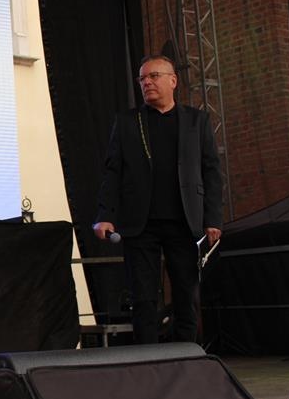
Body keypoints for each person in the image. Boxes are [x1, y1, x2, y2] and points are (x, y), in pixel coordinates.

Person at [92, 54, 222, 344]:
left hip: (185, 221)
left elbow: (211, 171)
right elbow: (112, 172)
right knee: (143, 296)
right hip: (141, 223)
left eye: (153, 76)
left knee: (186, 293)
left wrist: (213, 218)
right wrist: (105, 214)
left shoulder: (196, 121)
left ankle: (186, 353)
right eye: (142, 79)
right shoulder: (128, 122)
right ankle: (147, 356)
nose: (146, 83)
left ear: (173, 81)